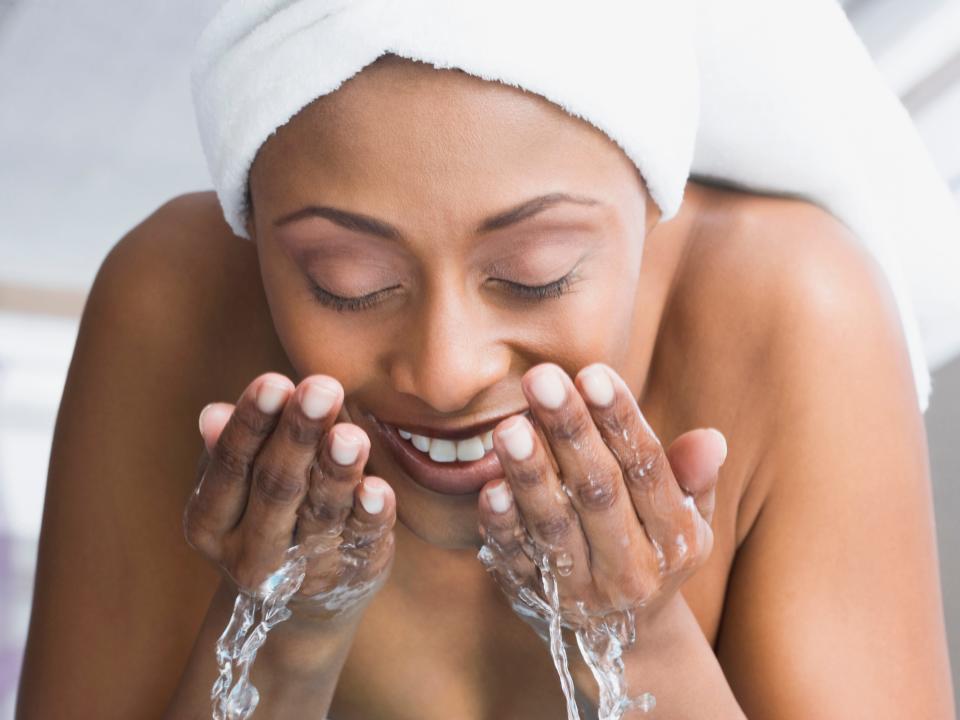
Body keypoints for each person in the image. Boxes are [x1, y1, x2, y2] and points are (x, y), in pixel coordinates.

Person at [15, 53, 954, 719]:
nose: (445, 369)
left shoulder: (792, 309)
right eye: (348, 281)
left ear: (650, 200)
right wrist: (283, 637)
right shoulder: (174, 303)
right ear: (252, 224)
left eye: (537, 273)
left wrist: (641, 637)